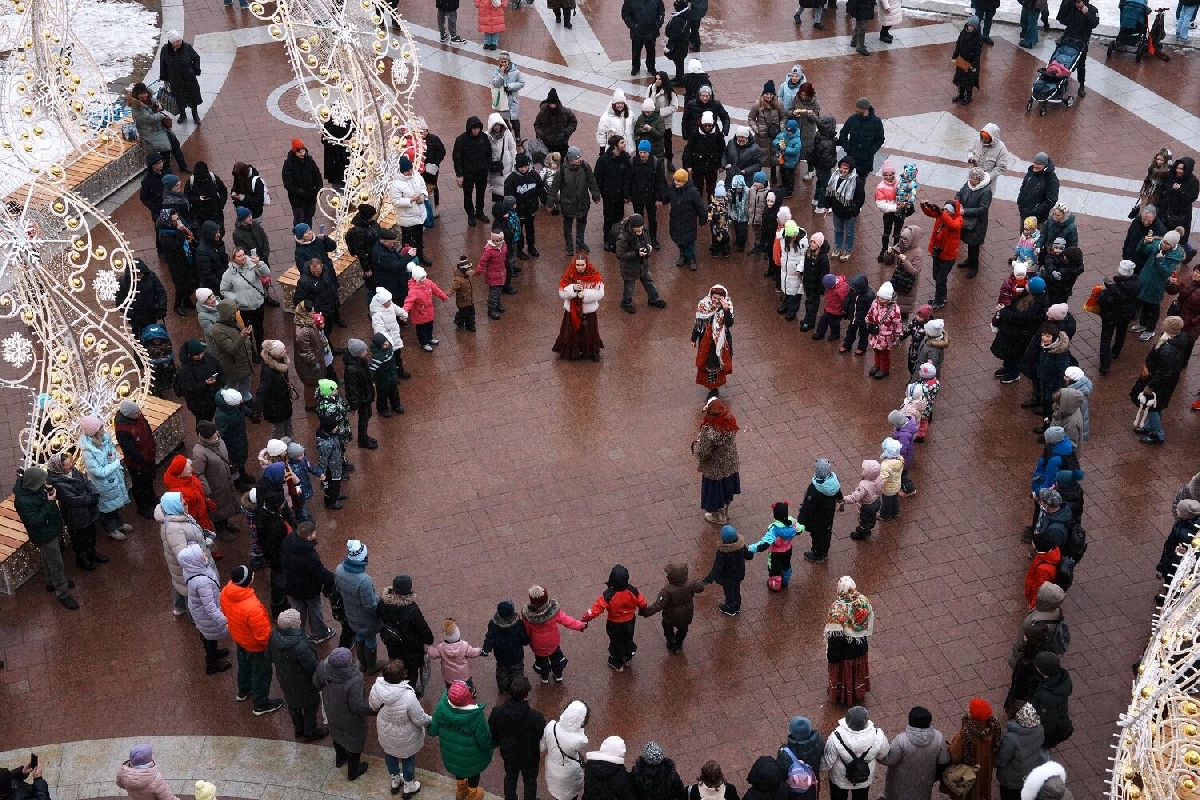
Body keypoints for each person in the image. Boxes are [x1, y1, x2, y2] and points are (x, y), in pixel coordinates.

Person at [219, 565, 283, 714]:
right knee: (262, 674)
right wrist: (271, 650)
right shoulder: (253, 608)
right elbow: (263, 635)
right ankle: (261, 704)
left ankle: (243, 691)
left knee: (244, 666)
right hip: (256, 647)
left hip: (239, 639)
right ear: (248, 580)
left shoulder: (225, 593)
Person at [13, 467, 79, 609]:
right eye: (42, 480)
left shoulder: (34, 487)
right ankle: (62, 593)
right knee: (56, 563)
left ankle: (51, 582)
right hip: (44, 534)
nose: (45, 482)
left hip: (51, 529)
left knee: (49, 557)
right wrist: (49, 502)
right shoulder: (22, 501)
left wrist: (48, 495)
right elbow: (35, 521)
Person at [315, 647, 374, 780]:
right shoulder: (355, 678)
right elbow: (357, 707)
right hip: (350, 717)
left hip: (331, 709)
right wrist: (373, 710)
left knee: (336, 733)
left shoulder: (323, 666)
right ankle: (353, 771)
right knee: (355, 741)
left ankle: (340, 758)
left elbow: (316, 683)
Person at [430, 681, 495, 800]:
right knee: (474, 774)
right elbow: (484, 741)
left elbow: (432, 730)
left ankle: (461, 791)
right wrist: (494, 744)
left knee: (458, 770)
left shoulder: (442, 707)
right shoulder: (475, 715)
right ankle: (472, 794)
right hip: (472, 757)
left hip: (451, 754)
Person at [269, 609, 327, 741]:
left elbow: (269, 656)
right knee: (311, 705)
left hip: (284, 678)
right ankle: (310, 732)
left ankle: (299, 729)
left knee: (293, 704)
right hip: (304, 682)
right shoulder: (300, 645)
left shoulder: (273, 636)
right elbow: (313, 667)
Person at [487, 676, 546, 800]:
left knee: (510, 776)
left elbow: (493, 730)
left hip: (508, 752)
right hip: (530, 756)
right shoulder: (535, 717)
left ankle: (510, 797)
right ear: (526, 695)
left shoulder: (497, 712)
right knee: (530, 781)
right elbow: (542, 734)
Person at [76, 414, 133, 541]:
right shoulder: (88, 451)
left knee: (115, 505)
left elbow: (112, 451)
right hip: (103, 485)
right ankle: (112, 529)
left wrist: (114, 456)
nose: (104, 428)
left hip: (113, 480)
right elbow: (98, 472)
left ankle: (119, 524)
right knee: (108, 509)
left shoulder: (105, 437)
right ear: (94, 432)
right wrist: (115, 463)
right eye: (100, 427)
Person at [1133, 314, 1188, 443]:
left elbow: (1163, 372)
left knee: (1152, 407)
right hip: (1166, 382)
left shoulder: (1168, 349)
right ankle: (1150, 427)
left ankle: (1158, 434)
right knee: (1157, 405)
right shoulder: (1176, 340)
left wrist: (1151, 386)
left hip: (1160, 384)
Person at [377, 575, 436, 695]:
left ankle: (396, 684)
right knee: (411, 672)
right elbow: (423, 629)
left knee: (396, 665)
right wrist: (429, 641)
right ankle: (410, 693)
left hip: (392, 644)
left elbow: (378, 614)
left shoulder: (383, 602)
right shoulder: (411, 609)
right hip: (411, 649)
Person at [879, 707, 949, 800]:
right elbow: (944, 760)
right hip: (924, 780)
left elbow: (890, 760)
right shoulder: (938, 737)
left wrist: (877, 754)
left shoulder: (901, 740)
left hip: (900, 783)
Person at [335, 539, 383, 673]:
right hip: (366, 618)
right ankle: (371, 666)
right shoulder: (364, 580)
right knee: (370, 638)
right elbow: (370, 605)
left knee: (359, 635)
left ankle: (362, 664)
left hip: (351, 613)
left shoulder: (339, 569)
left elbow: (338, 590)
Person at [522, 585, 587, 683]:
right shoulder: (553, 611)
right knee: (556, 657)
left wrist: (528, 640)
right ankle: (558, 674)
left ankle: (544, 677)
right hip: (552, 641)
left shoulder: (527, 615)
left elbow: (526, 629)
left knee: (541, 660)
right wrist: (581, 625)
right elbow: (567, 621)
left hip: (537, 643)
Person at [822, 706, 888, 800]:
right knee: (861, 797)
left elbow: (828, 762)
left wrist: (819, 771)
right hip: (863, 778)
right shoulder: (878, 736)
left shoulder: (835, 737)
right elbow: (883, 755)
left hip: (840, 779)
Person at [826, 576, 874, 705]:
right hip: (861, 647)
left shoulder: (837, 608)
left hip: (845, 652)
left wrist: (832, 657)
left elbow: (835, 637)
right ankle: (858, 692)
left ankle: (843, 697)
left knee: (844, 674)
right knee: (857, 673)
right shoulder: (863, 601)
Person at [640, 562, 704, 653]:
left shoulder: (667, 590)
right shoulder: (690, 583)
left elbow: (658, 605)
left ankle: (672, 644)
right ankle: (679, 642)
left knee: (667, 626)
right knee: (683, 628)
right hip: (687, 613)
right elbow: (700, 587)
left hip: (672, 614)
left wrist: (645, 612)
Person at [1134, 229, 1187, 338]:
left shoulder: (1175, 257)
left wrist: (1161, 260)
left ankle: (1150, 329)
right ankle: (1142, 324)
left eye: (1167, 244)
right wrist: (1143, 243)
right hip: (1144, 281)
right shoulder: (1156, 245)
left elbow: (1166, 272)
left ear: (1173, 245)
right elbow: (1140, 251)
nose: (1164, 244)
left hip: (1156, 286)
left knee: (1153, 309)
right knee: (1144, 304)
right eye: (1164, 241)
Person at [549, 147, 602, 255]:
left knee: (582, 223)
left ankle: (580, 241)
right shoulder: (562, 171)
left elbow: (592, 181)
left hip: (583, 202)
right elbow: (554, 188)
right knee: (568, 225)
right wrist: (550, 203)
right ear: (570, 159)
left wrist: (596, 195)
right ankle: (569, 245)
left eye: (579, 157)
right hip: (568, 204)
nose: (579, 159)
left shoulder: (584, 166)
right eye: (577, 158)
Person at [945, 699, 1001, 800]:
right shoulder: (994, 727)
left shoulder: (964, 735)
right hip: (985, 767)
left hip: (969, 770)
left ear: (973, 717)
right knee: (983, 786)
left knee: (970, 793)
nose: (968, 709)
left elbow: (955, 757)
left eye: (970, 709)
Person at [995, 704, 1046, 800]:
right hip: (1028, 772)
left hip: (1011, 779)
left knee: (1007, 796)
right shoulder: (1039, 728)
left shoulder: (1011, 738)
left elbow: (1001, 760)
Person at [542, 701, 590, 800]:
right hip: (569, 775)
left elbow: (542, 746)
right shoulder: (580, 740)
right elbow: (580, 736)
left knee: (557, 795)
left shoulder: (551, 726)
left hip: (552, 769)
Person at [921, 200, 964, 310]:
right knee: (936, 276)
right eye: (944, 209)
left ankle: (940, 300)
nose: (945, 211)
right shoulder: (942, 216)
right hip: (937, 253)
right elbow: (929, 213)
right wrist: (925, 206)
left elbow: (952, 225)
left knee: (940, 279)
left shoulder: (958, 220)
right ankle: (941, 297)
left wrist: (940, 212)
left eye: (947, 210)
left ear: (953, 212)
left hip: (947, 257)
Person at [692, 285, 734, 397]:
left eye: (719, 298)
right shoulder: (703, 305)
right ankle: (711, 385)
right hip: (705, 341)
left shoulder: (727, 307)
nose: (716, 300)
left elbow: (729, 323)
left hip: (719, 342)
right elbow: (698, 322)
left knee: (715, 364)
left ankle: (714, 387)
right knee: (706, 363)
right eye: (714, 297)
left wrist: (726, 309)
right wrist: (693, 338)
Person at [1028, 652, 1073, 750]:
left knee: (1040, 748)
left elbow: (1047, 722)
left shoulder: (1048, 697)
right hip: (1056, 724)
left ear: (1042, 670)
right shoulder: (1059, 679)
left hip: (1049, 731)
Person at [596, 137, 633, 251]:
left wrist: (626, 195)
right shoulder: (603, 160)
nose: (624, 144)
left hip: (620, 195)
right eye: (622, 142)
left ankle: (616, 237)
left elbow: (628, 177)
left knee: (619, 217)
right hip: (609, 195)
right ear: (615, 146)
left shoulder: (625, 158)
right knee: (609, 218)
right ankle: (607, 239)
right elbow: (598, 177)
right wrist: (603, 192)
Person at [453, 117, 492, 225]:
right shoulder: (461, 140)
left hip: (481, 173)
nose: (476, 131)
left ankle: (479, 212)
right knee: (468, 194)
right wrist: (459, 174)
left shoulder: (484, 138)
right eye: (473, 129)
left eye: (478, 128)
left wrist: (487, 167)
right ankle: (470, 214)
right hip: (468, 174)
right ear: (469, 129)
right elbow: (457, 158)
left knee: (481, 193)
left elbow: (489, 153)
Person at [826, 157, 866, 261]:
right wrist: (828, 205)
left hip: (849, 214)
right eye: (841, 168)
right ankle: (838, 248)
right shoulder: (835, 178)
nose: (843, 170)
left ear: (850, 170)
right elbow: (830, 193)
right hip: (837, 211)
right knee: (838, 230)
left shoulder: (857, 182)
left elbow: (860, 198)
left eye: (846, 168)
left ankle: (847, 250)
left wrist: (853, 209)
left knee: (849, 233)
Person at [956, 168, 993, 279]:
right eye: (970, 177)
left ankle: (974, 267)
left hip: (978, 223)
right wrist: (958, 202)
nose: (969, 179)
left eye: (972, 178)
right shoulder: (968, 184)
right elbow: (959, 193)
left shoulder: (986, 191)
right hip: (967, 220)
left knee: (974, 245)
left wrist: (965, 211)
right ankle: (969, 261)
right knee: (969, 241)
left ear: (978, 180)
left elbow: (983, 209)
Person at [1055, 0, 1098, 95]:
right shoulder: (1070, 7)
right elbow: (1060, 18)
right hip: (1068, 39)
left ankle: (1081, 85)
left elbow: (1094, 24)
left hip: (1081, 42)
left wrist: (1086, 13)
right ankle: (1060, 81)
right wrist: (1067, 5)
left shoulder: (1092, 9)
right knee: (1062, 61)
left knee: (1081, 64)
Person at [667, 169, 706, 271]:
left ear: (684, 181)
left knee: (689, 242)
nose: (676, 183)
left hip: (688, 222)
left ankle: (691, 258)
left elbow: (700, 207)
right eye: (675, 180)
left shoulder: (693, 192)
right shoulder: (672, 189)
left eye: (679, 181)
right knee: (678, 240)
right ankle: (682, 255)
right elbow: (666, 197)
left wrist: (703, 219)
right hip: (676, 220)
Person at [159, 32, 202, 124]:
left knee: (193, 98)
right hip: (175, 80)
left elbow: (196, 57)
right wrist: (165, 79)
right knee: (179, 98)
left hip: (189, 79)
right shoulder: (165, 50)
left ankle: (195, 114)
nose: (179, 43)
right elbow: (163, 65)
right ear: (171, 42)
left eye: (179, 40)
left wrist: (195, 70)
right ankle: (182, 115)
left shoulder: (187, 47)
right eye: (176, 41)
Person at [837, 99, 884, 178]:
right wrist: (847, 148)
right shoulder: (852, 119)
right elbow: (843, 134)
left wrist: (870, 152)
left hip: (866, 162)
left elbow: (880, 139)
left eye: (857, 107)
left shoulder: (876, 121)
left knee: (860, 185)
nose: (855, 109)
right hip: (852, 159)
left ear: (864, 109)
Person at [1160, 157, 1198, 247]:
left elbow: (1192, 197)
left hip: (1181, 215)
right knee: (1164, 234)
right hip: (1167, 211)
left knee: (1180, 238)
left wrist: (1180, 190)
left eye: (1182, 169)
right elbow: (1163, 188)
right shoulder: (1171, 175)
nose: (1179, 171)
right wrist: (1171, 188)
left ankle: (1186, 253)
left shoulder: (1193, 181)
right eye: (1178, 168)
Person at [622, 0, 664, 76]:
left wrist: (657, 25)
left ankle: (651, 67)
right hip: (637, 32)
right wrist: (633, 26)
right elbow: (625, 15)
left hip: (651, 31)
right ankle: (635, 67)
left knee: (651, 51)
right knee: (636, 51)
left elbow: (661, 12)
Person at [1017, 153, 1060, 225]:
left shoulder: (1052, 180)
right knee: (1023, 235)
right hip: (1024, 214)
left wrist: (1036, 211)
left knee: (1037, 236)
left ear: (1045, 165)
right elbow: (1024, 186)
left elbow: (1051, 200)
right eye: (1035, 163)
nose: (1035, 165)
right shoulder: (1031, 172)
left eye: (1039, 164)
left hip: (1038, 219)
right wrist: (1020, 200)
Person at [534, 89, 578, 159]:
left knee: (563, 161)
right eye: (550, 104)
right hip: (547, 143)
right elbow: (537, 125)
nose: (552, 105)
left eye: (554, 104)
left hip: (562, 143)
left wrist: (566, 132)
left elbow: (573, 122)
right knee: (549, 162)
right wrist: (543, 135)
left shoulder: (565, 111)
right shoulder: (543, 112)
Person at [950, 16, 983, 105]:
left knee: (969, 81)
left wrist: (973, 66)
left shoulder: (978, 38)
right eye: (969, 25)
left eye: (972, 26)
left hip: (971, 63)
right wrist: (955, 56)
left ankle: (968, 96)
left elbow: (977, 53)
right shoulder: (963, 32)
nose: (970, 28)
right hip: (962, 61)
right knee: (961, 79)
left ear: (975, 27)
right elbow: (958, 45)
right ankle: (961, 94)